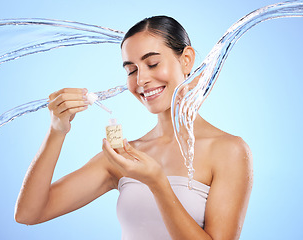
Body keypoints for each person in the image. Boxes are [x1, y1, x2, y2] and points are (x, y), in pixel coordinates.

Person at [15, 16, 253, 240]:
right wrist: (57, 131)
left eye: (152, 63)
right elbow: (29, 213)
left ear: (187, 60)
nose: (141, 80)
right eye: (131, 70)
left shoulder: (228, 151)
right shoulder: (123, 155)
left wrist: (158, 184)